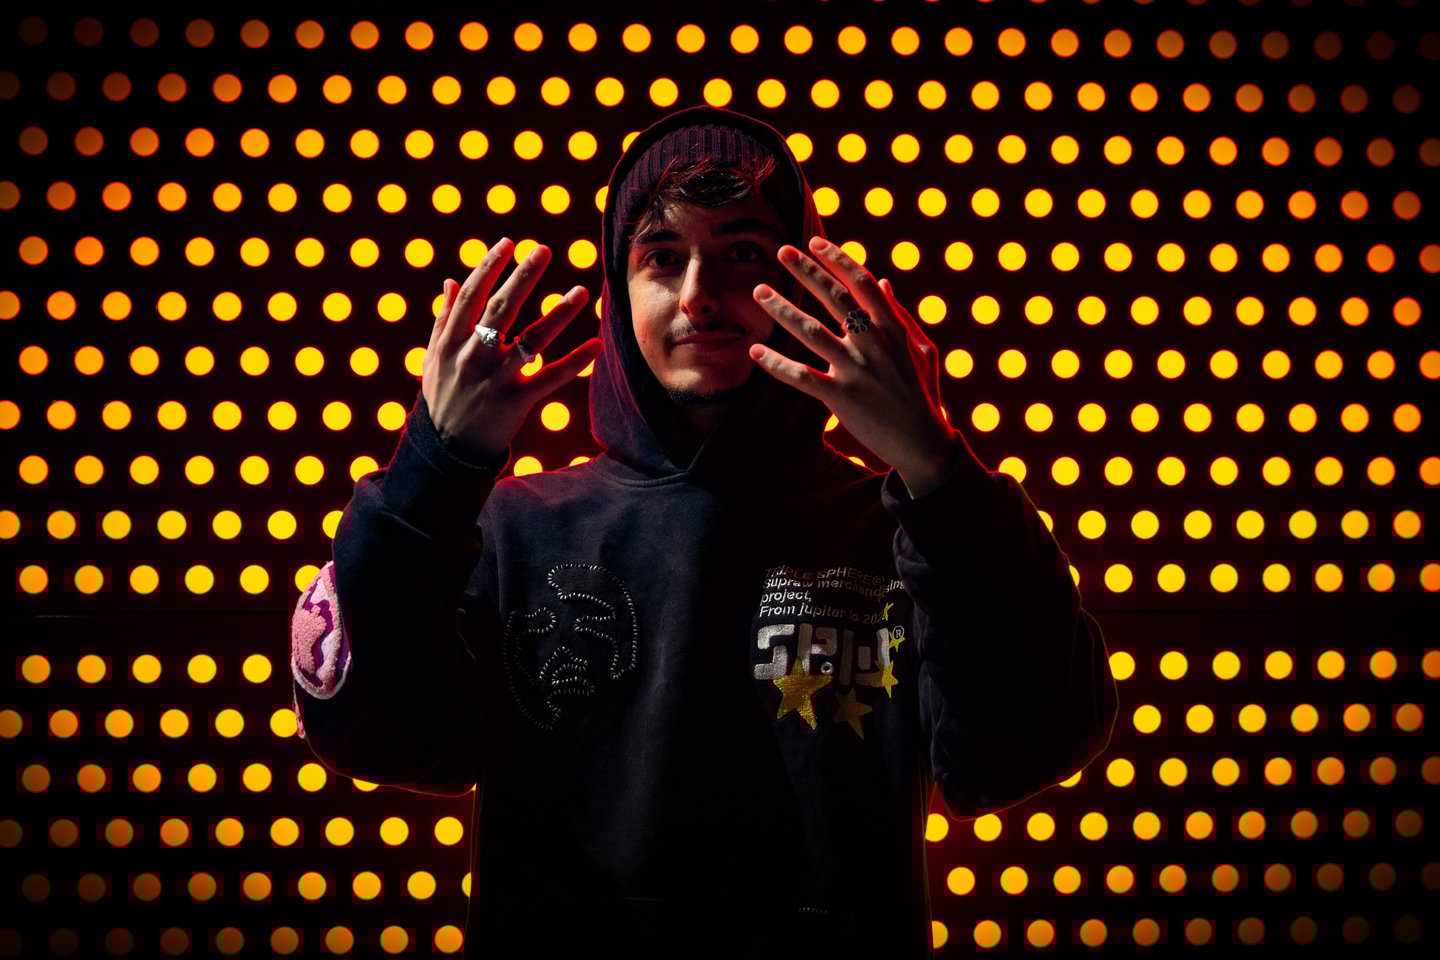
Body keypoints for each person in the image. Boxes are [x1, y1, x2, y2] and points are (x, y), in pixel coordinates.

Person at [289, 105, 1118, 958]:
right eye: (660, 256)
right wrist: (436, 466)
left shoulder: (902, 532)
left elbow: (1027, 747)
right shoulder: (514, 526)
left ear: (802, 284)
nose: (698, 295)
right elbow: (365, 728)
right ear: (620, 292)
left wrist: (939, 470)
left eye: (744, 253)